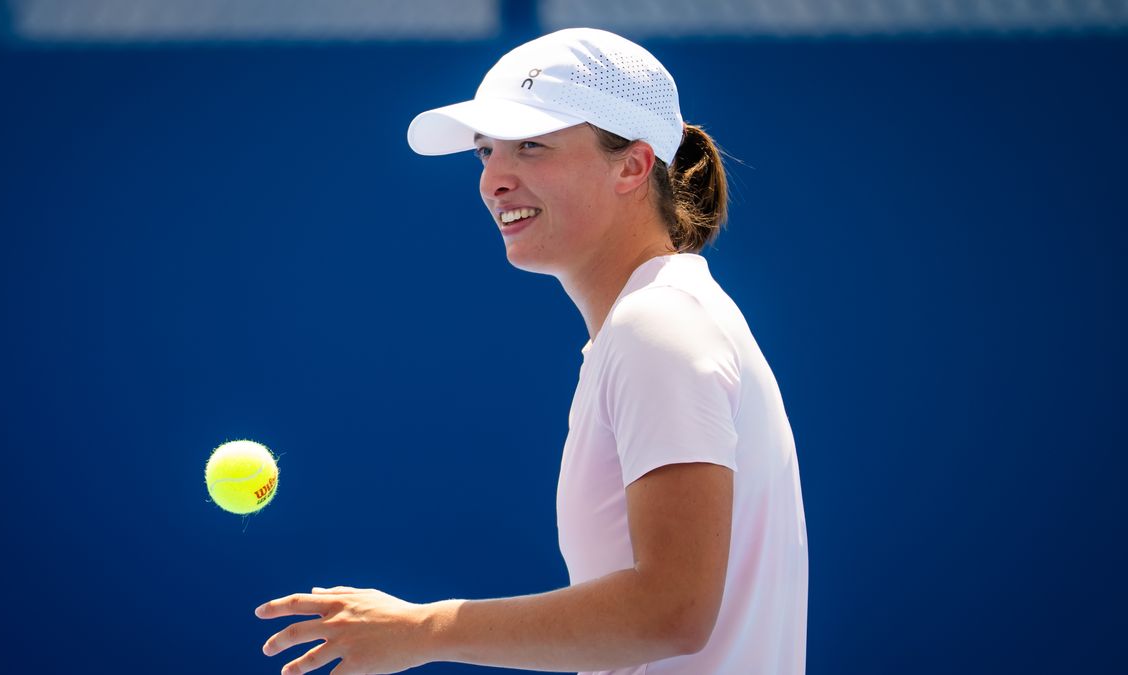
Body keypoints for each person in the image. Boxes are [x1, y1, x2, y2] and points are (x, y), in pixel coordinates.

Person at [254, 27, 808, 675]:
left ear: (632, 164)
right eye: (486, 152)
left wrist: (421, 628)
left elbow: (672, 610)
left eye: (531, 146)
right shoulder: (656, 320)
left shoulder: (658, 326)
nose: (494, 179)